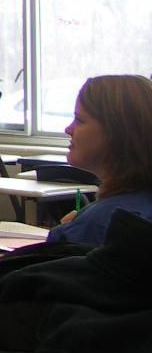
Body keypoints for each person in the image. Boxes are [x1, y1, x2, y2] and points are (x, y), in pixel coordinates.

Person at [47, 74, 152, 246]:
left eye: (79, 120)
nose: (68, 129)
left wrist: (79, 228)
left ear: (118, 132)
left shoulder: (100, 224)